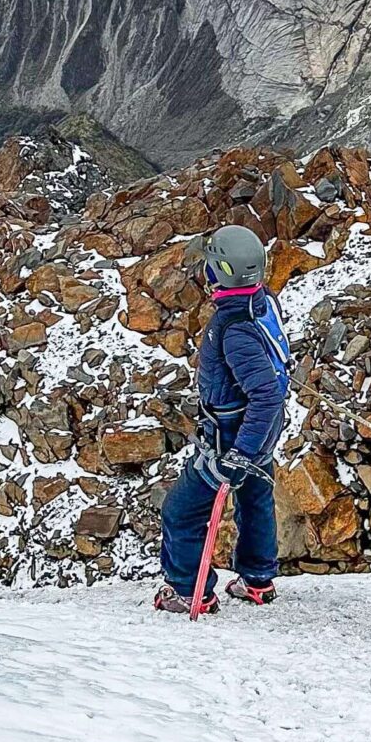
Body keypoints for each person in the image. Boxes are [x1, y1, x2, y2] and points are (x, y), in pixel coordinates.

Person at [154, 222, 290, 614]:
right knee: (254, 495)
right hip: (263, 429)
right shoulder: (264, 302)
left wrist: (239, 453)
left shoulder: (233, 329)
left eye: (211, 265)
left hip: (233, 435)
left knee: (181, 511)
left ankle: (187, 589)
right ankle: (257, 580)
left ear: (221, 273)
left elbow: (263, 391)